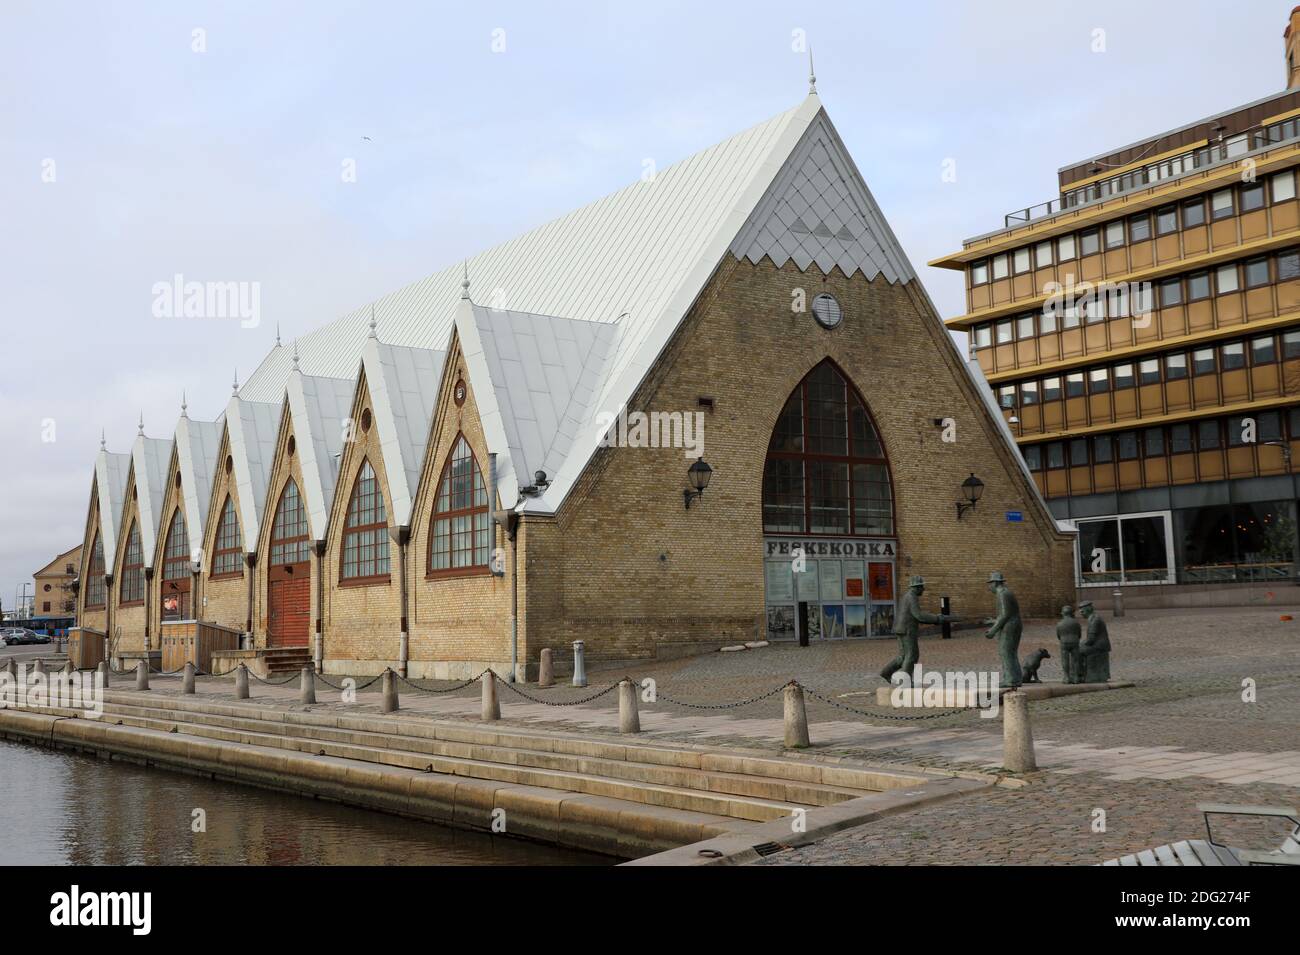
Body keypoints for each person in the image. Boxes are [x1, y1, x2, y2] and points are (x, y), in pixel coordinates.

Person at [880, 575, 950, 684]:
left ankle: (886, 672)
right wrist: (937, 618)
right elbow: (919, 615)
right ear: (917, 587)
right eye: (922, 587)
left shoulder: (907, 596)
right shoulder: (912, 597)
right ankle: (905, 681)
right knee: (912, 655)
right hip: (907, 630)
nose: (923, 589)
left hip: (901, 628)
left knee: (903, 656)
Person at [983, 571, 1023, 688]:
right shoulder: (1006, 593)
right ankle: (1015, 678)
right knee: (1010, 652)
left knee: (1005, 652)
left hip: (1010, 626)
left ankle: (1010, 680)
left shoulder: (1002, 594)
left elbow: (1005, 615)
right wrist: (993, 621)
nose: (989, 587)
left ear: (995, 583)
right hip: (1013, 624)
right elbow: (1007, 613)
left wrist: (993, 630)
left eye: (990, 584)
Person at [1078, 600, 1112, 683]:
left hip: (1100, 645)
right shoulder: (1093, 618)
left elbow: (1090, 640)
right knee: (1079, 648)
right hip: (1097, 643)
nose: (1081, 613)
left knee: (1077, 651)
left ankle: (1082, 675)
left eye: (1082, 611)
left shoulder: (1094, 620)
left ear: (1088, 610)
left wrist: (1080, 645)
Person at [1055, 605, 1082, 684]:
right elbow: (1079, 634)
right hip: (1074, 641)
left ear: (1063, 613)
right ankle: (1076, 677)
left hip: (1064, 642)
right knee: (1076, 660)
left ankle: (1066, 677)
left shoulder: (1060, 624)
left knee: (1065, 660)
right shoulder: (1076, 623)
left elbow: (1058, 635)